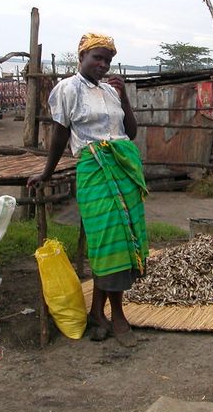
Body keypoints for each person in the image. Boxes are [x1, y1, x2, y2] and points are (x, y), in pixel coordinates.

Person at [27, 33, 148, 347]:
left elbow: (129, 133)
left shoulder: (111, 90)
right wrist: (46, 173)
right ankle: (115, 314)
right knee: (106, 241)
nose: (103, 64)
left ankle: (101, 311)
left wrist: (124, 98)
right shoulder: (66, 89)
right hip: (93, 169)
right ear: (81, 56)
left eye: (107, 59)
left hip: (124, 169)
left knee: (124, 241)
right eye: (97, 57)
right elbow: (60, 134)